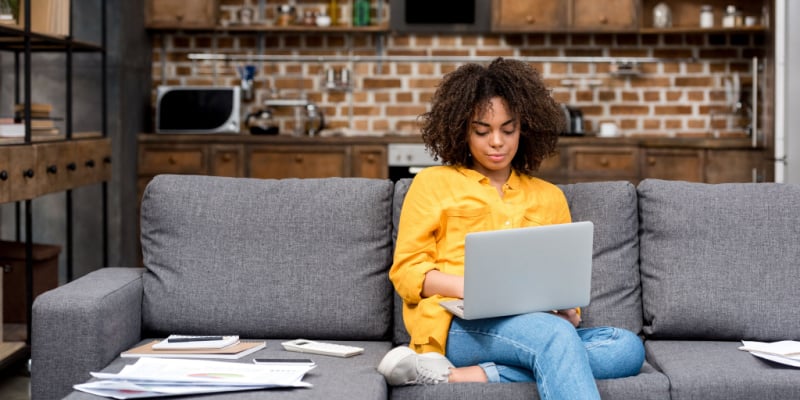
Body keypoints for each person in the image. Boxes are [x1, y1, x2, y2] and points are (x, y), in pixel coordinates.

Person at [377, 57, 645, 399]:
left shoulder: (549, 197)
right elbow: (408, 272)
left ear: (525, 128)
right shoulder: (432, 183)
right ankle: (524, 353)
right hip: (458, 325)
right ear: (462, 129)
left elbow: (564, 284)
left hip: (536, 325)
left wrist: (567, 313)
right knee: (554, 338)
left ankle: (460, 377)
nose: (497, 142)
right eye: (482, 130)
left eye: (508, 129)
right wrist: (476, 289)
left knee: (625, 347)